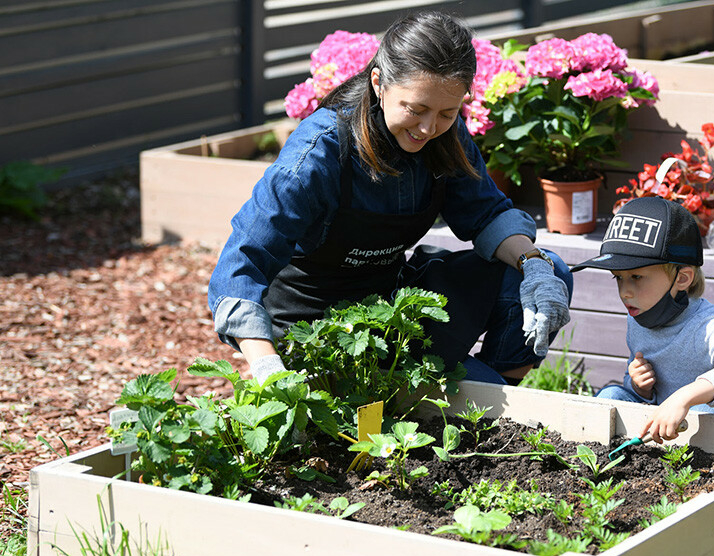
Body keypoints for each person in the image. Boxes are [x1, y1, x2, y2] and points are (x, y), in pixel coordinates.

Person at [207, 11, 572, 386]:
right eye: (415, 110)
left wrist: (533, 266)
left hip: (394, 308)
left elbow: (486, 213)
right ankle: (481, 397)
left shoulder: (444, 136)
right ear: (379, 83)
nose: (429, 128)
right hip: (313, 329)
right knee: (476, 390)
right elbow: (240, 267)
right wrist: (269, 370)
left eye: (448, 112)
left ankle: (498, 396)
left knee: (551, 271)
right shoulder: (317, 155)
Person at [571, 196, 714, 442]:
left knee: (699, 413)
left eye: (637, 277)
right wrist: (641, 386)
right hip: (671, 428)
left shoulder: (708, 323)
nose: (624, 291)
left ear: (682, 279)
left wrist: (684, 397)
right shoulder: (638, 315)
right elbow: (643, 392)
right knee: (610, 395)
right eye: (618, 278)